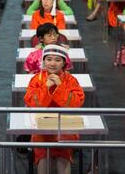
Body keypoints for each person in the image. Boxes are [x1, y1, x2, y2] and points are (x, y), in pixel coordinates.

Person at [24, 44, 85, 174]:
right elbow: (31, 102)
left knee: (63, 158)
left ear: (64, 63)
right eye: (49, 59)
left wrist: (60, 86)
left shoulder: (70, 80)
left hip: (65, 127)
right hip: (41, 127)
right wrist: (46, 87)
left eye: (57, 60)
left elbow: (77, 102)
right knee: (44, 159)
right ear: (44, 61)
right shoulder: (37, 79)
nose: (52, 63)